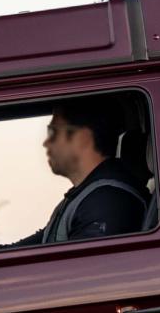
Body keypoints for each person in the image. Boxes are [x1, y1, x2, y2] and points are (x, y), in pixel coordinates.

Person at [13, 100, 149, 244]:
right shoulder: (84, 197)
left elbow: (83, 266)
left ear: (83, 138)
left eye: (53, 132)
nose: (46, 143)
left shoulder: (106, 201)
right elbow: (27, 249)